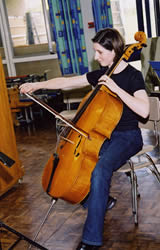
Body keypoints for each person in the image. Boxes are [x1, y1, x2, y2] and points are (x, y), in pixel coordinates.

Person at [20, 28, 149, 250]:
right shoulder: (101, 75)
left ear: (114, 50)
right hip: (100, 136)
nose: (96, 57)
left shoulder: (132, 76)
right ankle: (96, 200)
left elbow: (144, 110)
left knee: (100, 170)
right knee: (72, 169)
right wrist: (38, 85)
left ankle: (91, 241)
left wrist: (117, 88)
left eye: (100, 52)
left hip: (127, 136)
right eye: (95, 52)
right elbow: (67, 82)